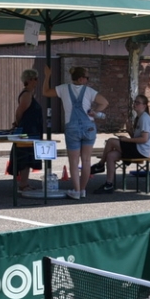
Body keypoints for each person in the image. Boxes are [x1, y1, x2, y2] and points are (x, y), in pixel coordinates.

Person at [43, 65, 106, 200]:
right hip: (89, 126)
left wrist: (47, 75)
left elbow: (46, 92)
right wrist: (95, 112)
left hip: (72, 128)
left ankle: (76, 190)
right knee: (86, 160)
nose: (88, 80)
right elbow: (104, 102)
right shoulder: (89, 91)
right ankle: (83, 189)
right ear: (81, 79)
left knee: (73, 161)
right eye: (87, 78)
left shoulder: (63, 88)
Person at [92, 93, 150, 193]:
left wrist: (126, 140)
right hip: (137, 148)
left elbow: (144, 139)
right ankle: (109, 184)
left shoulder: (145, 118)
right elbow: (138, 138)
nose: (135, 104)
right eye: (135, 102)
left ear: (144, 105)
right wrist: (130, 131)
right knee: (111, 155)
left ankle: (100, 165)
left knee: (111, 141)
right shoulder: (139, 118)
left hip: (141, 151)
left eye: (138, 103)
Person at [11, 68, 44, 190]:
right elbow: (19, 112)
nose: (37, 81)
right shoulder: (26, 94)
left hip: (32, 129)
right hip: (27, 130)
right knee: (25, 157)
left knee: (29, 157)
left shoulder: (30, 94)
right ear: (29, 80)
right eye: (36, 79)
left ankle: (25, 183)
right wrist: (18, 124)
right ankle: (23, 184)